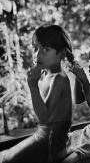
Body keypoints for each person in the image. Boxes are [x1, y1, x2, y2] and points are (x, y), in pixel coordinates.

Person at [0, 24, 75, 163]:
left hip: (51, 143)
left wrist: (33, 87)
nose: (37, 54)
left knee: (5, 160)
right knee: (3, 154)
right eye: (36, 48)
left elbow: (44, 119)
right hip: (42, 135)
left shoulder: (59, 79)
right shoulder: (45, 73)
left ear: (62, 54)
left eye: (45, 49)